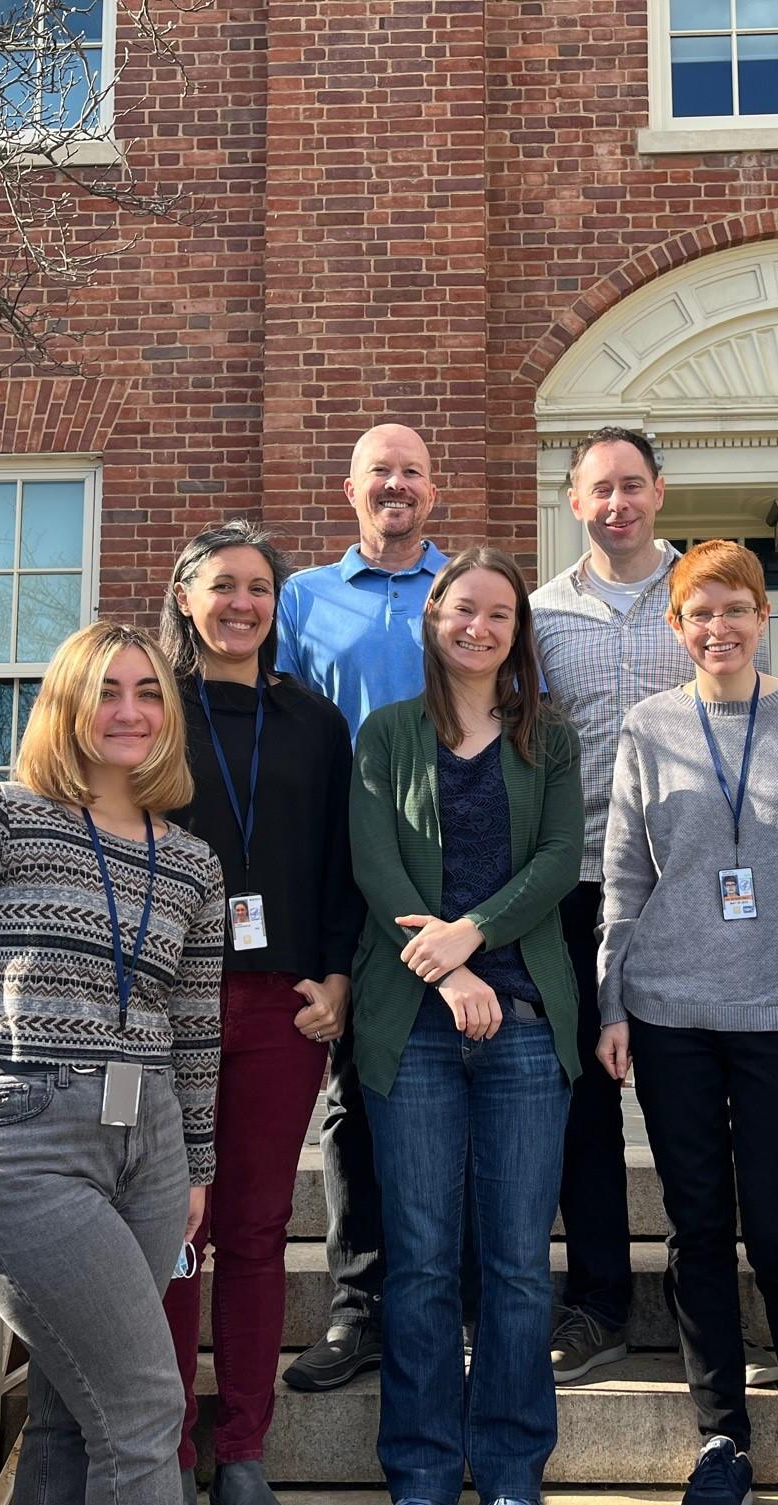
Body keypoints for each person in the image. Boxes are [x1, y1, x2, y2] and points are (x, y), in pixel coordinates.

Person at [0, 621, 224, 1505]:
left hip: (150, 1147)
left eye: (148, 692)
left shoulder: (191, 862)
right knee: (147, 1406)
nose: (130, 711)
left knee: (80, 1409)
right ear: (67, 703)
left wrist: (197, 1165)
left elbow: (193, 1026)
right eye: (107, 690)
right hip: (29, 1131)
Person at [597, 541, 778, 1505]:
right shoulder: (648, 725)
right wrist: (612, 999)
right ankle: (721, 1437)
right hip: (671, 1010)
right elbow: (625, 874)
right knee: (699, 1229)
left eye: (736, 611)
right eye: (699, 614)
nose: (719, 629)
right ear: (677, 628)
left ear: (763, 618)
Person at [349, 546, 583, 1505]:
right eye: (461, 610)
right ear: (433, 621)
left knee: (520, 1265)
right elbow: (376, 868)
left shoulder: (549, 737)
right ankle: (422, 1472)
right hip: (415, 1027)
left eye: (498, 614)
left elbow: (563, 860)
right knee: (421, 1259)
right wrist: (446, 976)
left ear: (516, 632)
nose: (478, 628)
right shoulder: (387, 733)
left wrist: (474, 938)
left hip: (527, 1021)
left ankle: (515, 1470)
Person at [157, 523, 363, 1505]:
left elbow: (338, 860)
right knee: (170, 1223)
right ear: (187, 597)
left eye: (260, 590)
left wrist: (337, 977)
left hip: (283, 1004)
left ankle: (241, 1448)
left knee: (255, 1227)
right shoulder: (149, 710)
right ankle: (159, 1443)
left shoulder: (314, 722)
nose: (243, 604)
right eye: (223, 586)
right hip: (168, 1004)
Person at [529, 424, 720, 1383]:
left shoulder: (703, 599)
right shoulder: (537, 614)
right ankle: (600, 1301)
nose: (618, 504)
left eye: (633, 486)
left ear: (659, 491)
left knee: (694, 1091)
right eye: (599, 489)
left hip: (682, 877)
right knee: (584, 1105)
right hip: (570, 883)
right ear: (574, 500)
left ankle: (709, 1306)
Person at [274, 423, 450, 1392]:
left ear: (435, 491)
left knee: (458, 1086)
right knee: (354, 1097)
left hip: (456, 872)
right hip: (346, 874)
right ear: (350, 489)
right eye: (380, 472)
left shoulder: (463, 595)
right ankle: (358, 1304)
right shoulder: (303, 598)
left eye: (412, 473)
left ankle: (453, 1295)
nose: (396, 485)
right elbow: (292, 741)